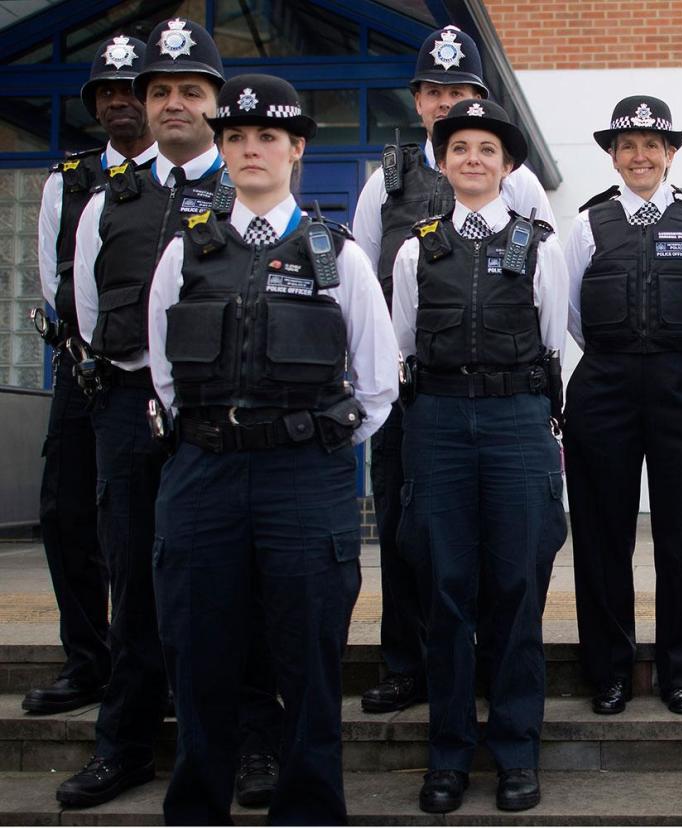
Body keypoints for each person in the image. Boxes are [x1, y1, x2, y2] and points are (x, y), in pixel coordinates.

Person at [145, 73, 397, 825]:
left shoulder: (336, 255)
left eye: (267, 138)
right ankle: (196, 807)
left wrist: (310, 441)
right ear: (223, 151)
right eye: (237, 139)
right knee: (198, 652)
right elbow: (162, 374)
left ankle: (310, 808)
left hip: (303, 479)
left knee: (309, 656)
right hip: (203, 475)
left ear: (296, 151)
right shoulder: (185, 252)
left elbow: (379, 385)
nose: (251, 150)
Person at [63, 19, 282, 810]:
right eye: (161, 91)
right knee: (135, 583)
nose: (174, 104)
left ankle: (253, 742)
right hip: (128, 410)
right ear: (143, 105)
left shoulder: (248, 191)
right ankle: (123, 745)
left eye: (193, 90)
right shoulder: (106, 201)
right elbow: (91, 314)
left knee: (236, 586)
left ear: (218, 106)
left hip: (220, 425)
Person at [351, 24, 558, 716]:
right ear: (418, 103)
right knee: (410, 538)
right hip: (416, 391)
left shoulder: (519, 181)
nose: (447, 104)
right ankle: (407, 665)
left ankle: (488, 678)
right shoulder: (387, 179)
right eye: (436, 93)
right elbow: (362, 281)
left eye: (460, 92)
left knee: (503, 552)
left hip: (501, 398)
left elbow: (546, 299)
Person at [390, 98, 567, 814]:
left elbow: (559, 342)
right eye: (459, 147)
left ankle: (517, 752)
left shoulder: (541, 244)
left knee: (517, 589)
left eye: (486, 149)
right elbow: (401, 346)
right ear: (441, 161)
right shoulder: (416, 248)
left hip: (518, 423)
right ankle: (449, 755)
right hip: (436, 423)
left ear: (508, 165)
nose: (472, 158)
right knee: (445, 591)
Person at [565, 96, 682, 717]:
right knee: (601, 534)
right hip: (603, 385)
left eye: (652, 145)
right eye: (628, 145)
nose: (640, 155)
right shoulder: (587, 224)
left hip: (679, 384)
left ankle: (679, 671)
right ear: (613, 155)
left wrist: (670, 354)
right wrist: (618, 355)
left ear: (670, 154)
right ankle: (608, 670)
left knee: (678, 531)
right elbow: (573, 313)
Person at [25, 35, 155, 718]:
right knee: (65, 513)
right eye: (106, 92)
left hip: (149, 380)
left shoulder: (180, 183)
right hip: (84, 370)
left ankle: (152, 664)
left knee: (143, 527)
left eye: (131, 89)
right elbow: (58, 284)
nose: (118, 101)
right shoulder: (67, 182)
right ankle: (88, 659)